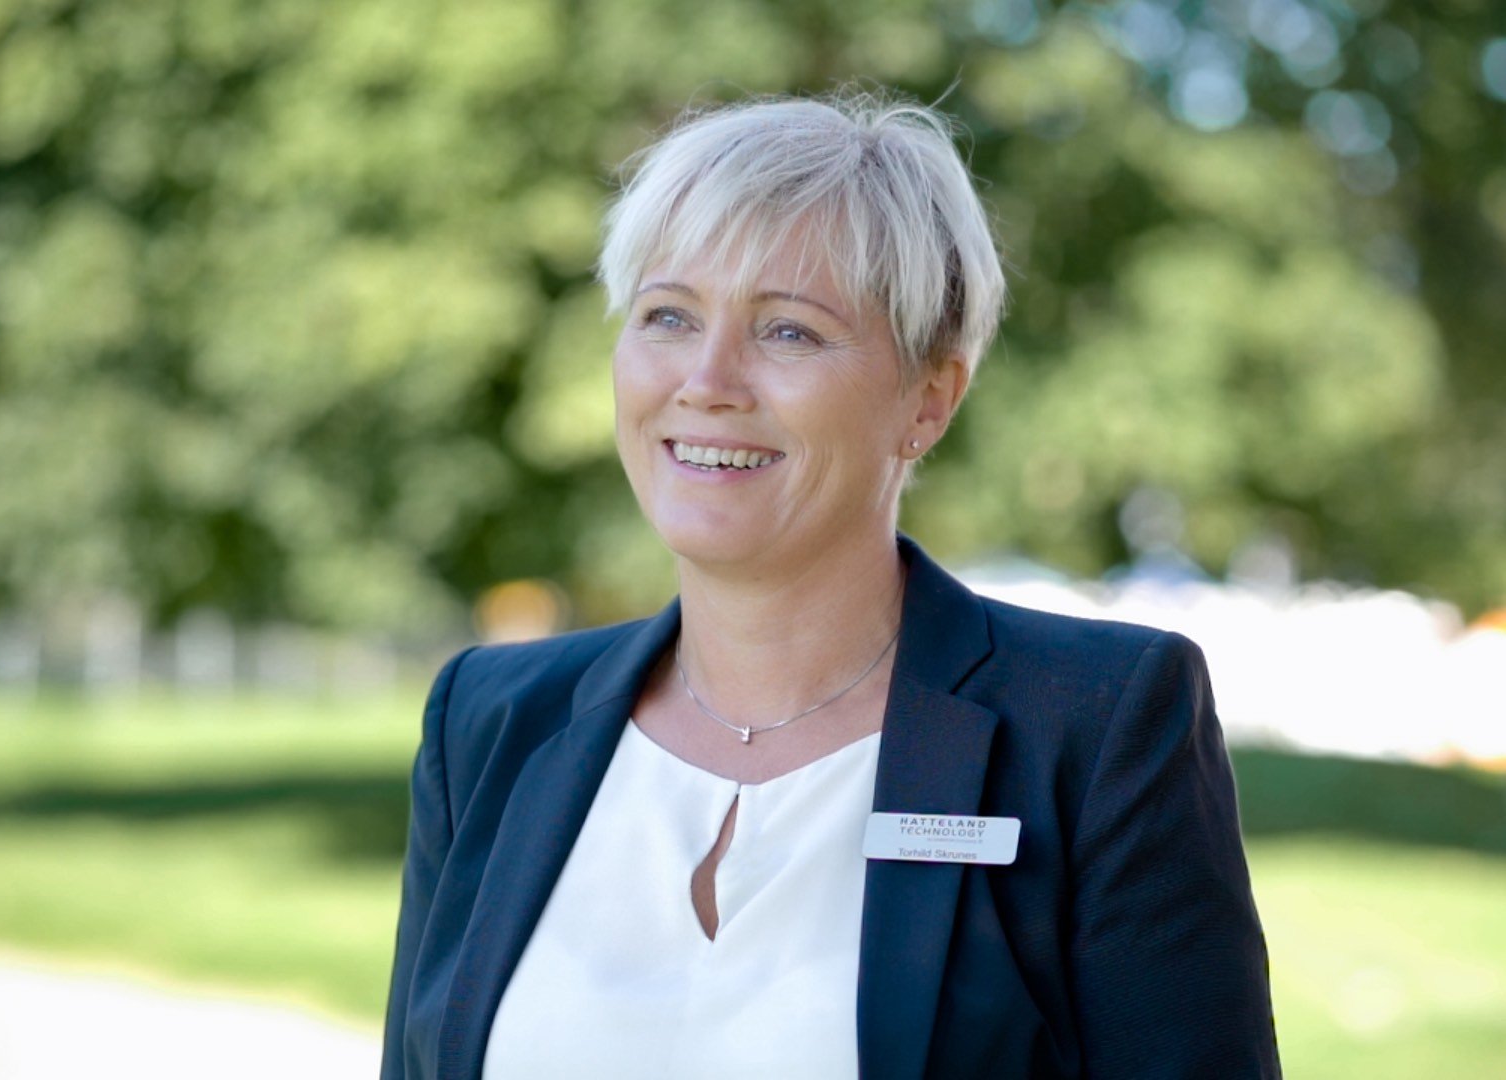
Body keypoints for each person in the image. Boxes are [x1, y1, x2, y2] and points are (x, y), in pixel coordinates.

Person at [380, 90, 1279, 1080]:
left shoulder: (1095, 725)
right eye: (668, 315)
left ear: (929, 398)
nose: (708, 381)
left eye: (789, 332)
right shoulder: (489, 722)